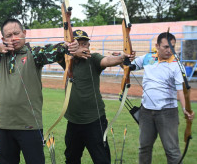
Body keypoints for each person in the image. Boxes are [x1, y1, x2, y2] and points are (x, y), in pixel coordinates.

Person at [0, 18, 79, 164]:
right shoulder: (1, 58)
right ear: (3, 39)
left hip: (29, 126)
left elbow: (53, 50)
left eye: (16, 33)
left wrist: (68, 46)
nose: (13, 38)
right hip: (4, 125)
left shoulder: (34, 54)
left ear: (24, 33)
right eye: (9, 36)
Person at [63, 30, 136, 164]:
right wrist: (69, 51)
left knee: (101, 159)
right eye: (79, 44)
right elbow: (53, 51)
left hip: (94, 121)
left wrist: (122, 58)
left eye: (85, 44)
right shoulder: (67, 60)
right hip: (73, 121)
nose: (83, 48)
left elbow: (106, 60)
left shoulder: (93, 59)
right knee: (71, 159)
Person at [131, 32, 195, 164]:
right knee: (144, 148)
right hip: (146, 112)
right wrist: (124, 58)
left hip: (167, 113)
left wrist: (185, 108)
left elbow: (181, 91)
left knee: (172, 151)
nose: (169, 50)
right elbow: (129, 66)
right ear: (157, 46)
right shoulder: (148, 58)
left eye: (172, 47)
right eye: (166, 47)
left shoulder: (176, 65)